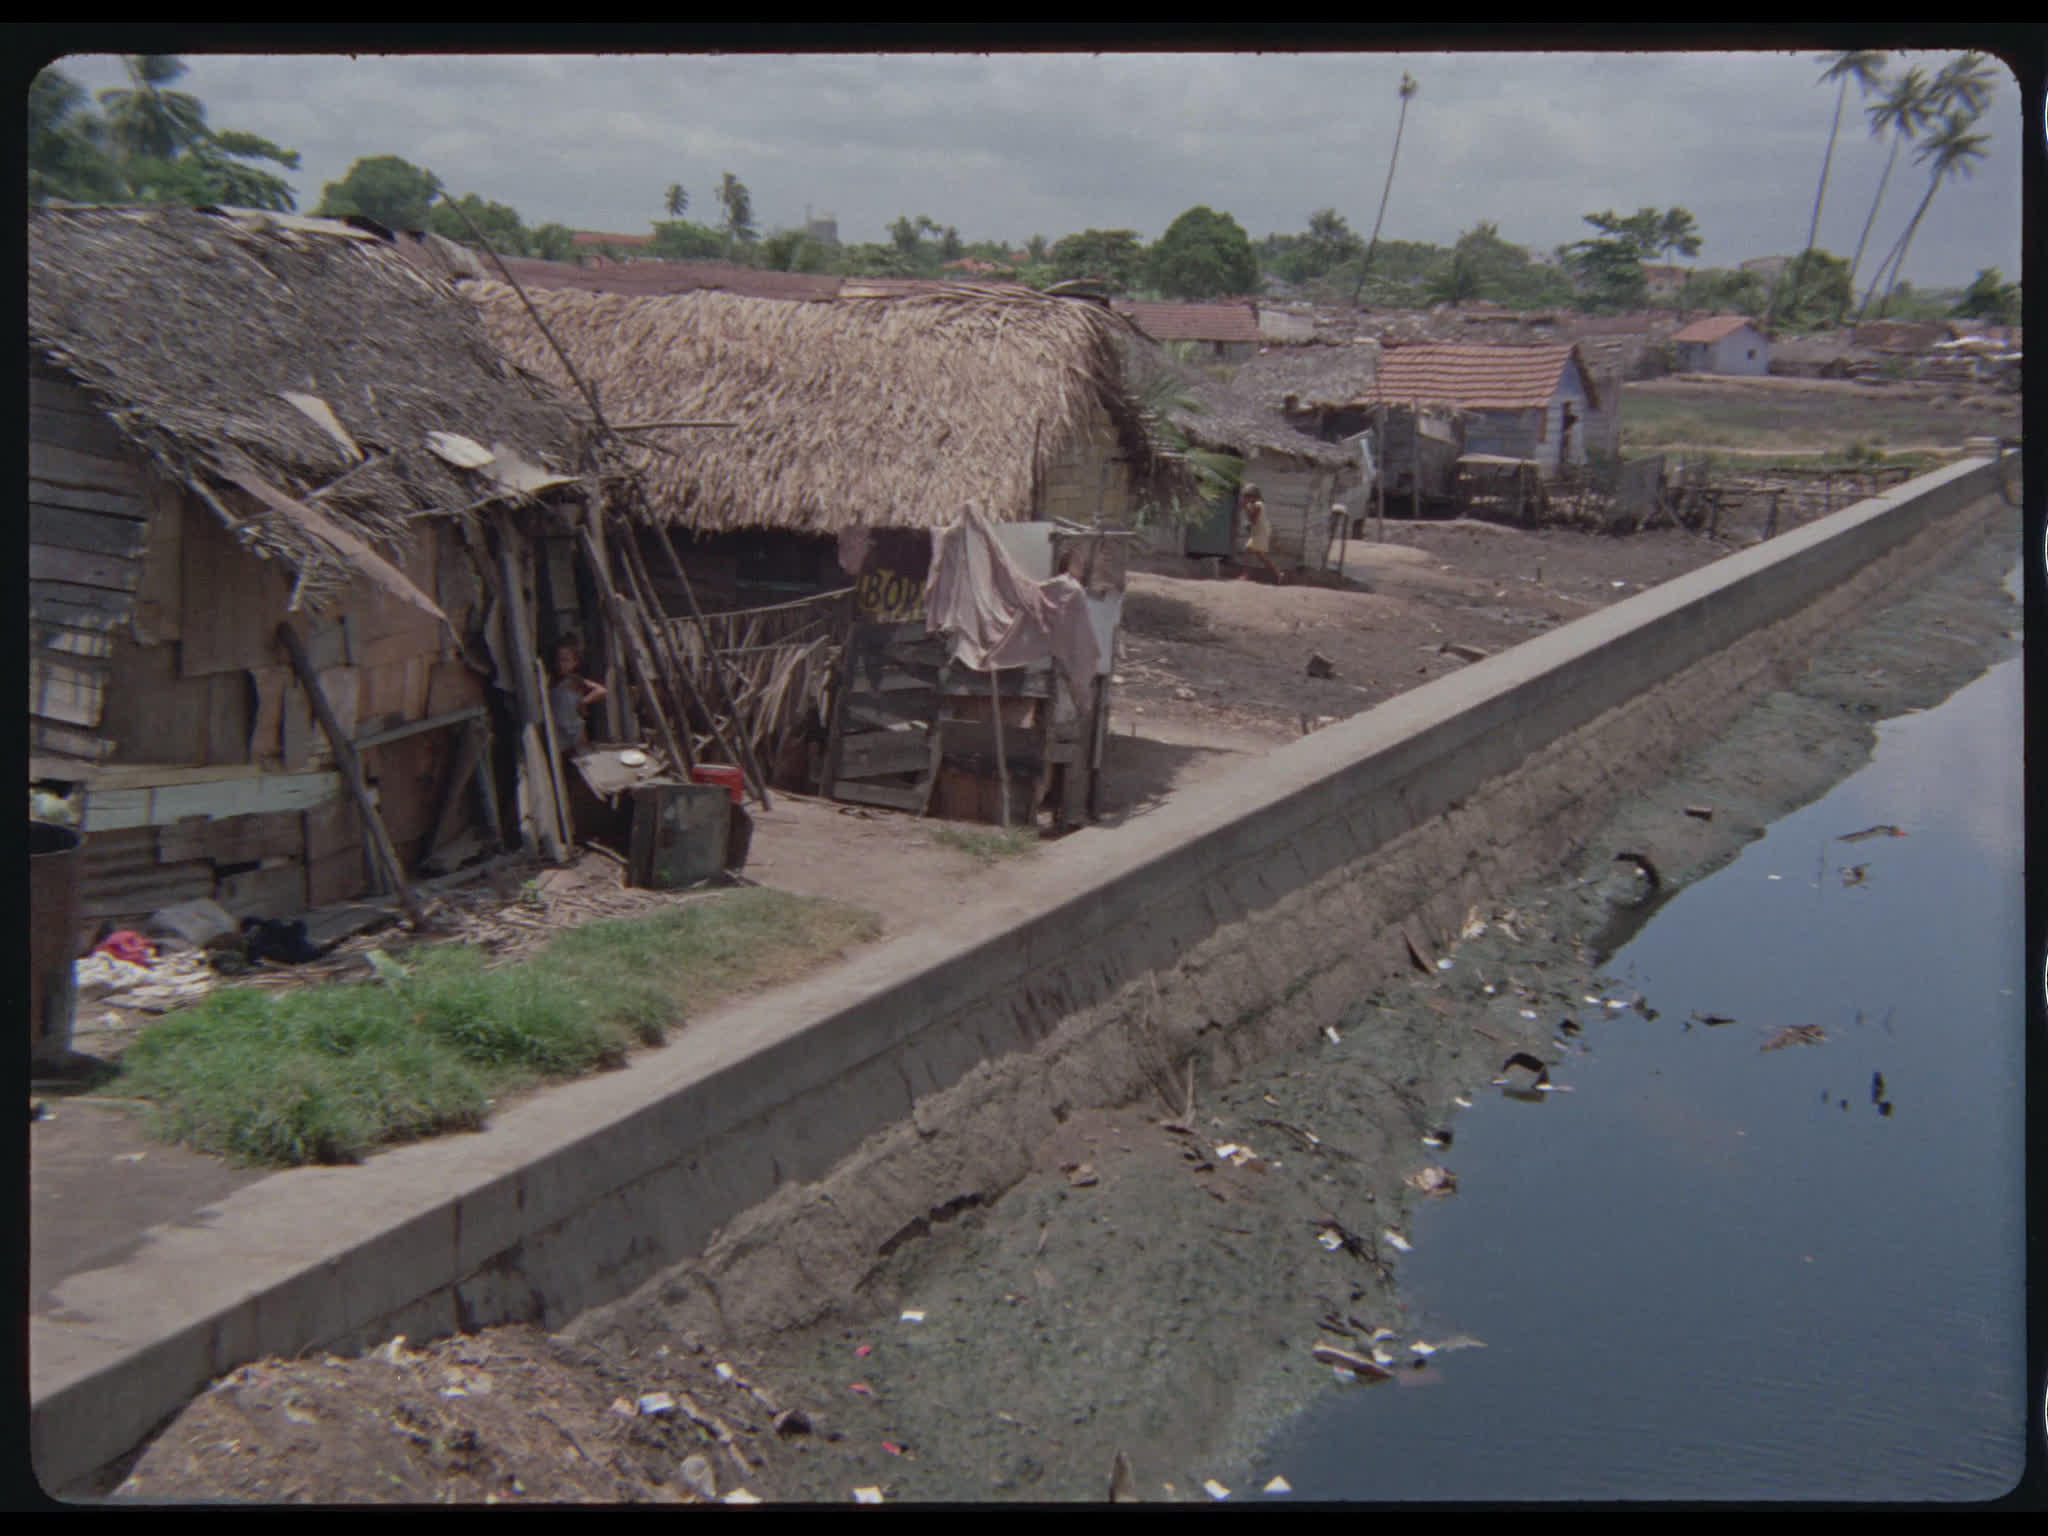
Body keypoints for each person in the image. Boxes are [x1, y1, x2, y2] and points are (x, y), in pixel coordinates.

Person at [548, 632, 608, 753]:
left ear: (575, 663)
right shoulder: (550, 681)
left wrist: (583, 701)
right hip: (559, 735)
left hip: (575, 735)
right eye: (558, 660)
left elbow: (601, 691)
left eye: (565, 660)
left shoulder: (575, 680)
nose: (561, 664)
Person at [1236, 482, 1282, 584]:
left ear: (1254, 496)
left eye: (1248, 496)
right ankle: (1278, 573)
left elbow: (1253, 520)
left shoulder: (1258, 505)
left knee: (1248, 552)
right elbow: (1254, 521)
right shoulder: (1255, 505)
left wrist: (1246, 508)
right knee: (1260, 556)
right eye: (1245, 496)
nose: (1246, 499)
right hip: (1259, 532)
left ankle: (1246, 575)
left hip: (1260, 533)